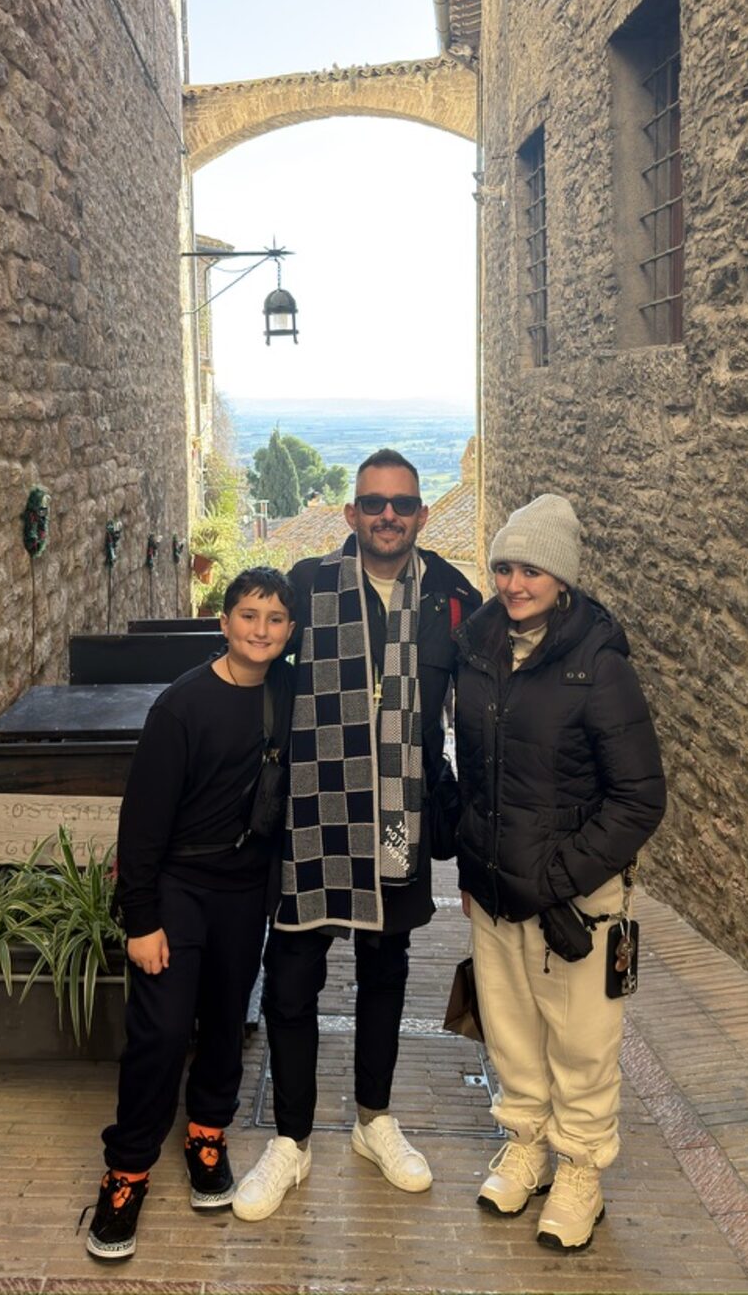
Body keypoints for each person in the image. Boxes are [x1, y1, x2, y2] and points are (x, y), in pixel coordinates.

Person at [232, 449, 481, 1222]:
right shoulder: (307, 585)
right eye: (373, 503)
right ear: (350, 514)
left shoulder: (451, 595)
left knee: (385, 969)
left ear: (421, 514)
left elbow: (484, 704)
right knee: (294, 977)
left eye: (402, 504)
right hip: (314, 818)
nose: (387, 517)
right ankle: (292, 1140)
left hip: (401, 817)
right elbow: (254, 656)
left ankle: (375, 1119)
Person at [453, 494, 665, 1252]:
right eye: (505, 566)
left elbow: (640, 797)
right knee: (510, 1032)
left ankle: (580, 1171)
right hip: (497, 890)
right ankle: (526, 1146)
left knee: (581, 1040)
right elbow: (474, 770)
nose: (514, 583)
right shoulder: (478, 646)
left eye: (531, 569)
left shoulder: (597, 664)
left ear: (562, 576)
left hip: (576, 899)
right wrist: (470, 856)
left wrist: (559, 875)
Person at [84, 567, 295, 1261]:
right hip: (178, 886)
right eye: (248, 615)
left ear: (290, 632)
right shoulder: (181, 707)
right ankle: (128, 1170)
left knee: (229, 1017)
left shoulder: (287, 696)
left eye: (274, 619)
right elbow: (140, 825)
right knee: (163, 1030)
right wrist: (140, 919)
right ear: (223, 622)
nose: (260, 630)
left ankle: (208, 1132)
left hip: (244, 891)